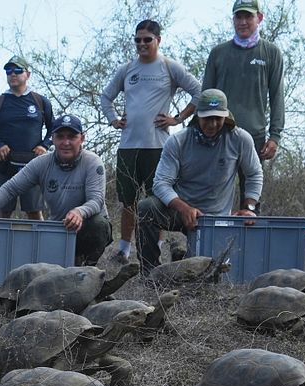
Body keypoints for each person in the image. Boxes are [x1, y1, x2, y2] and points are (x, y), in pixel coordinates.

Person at [131, 89, 262, 271]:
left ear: (226, 116)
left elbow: (254, 174)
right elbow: (161, 183)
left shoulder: (240, 139)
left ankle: (182, 255)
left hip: (217, 218)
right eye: (207, 118)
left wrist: (249, 208)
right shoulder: (178, 141)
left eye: (218, 118)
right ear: (197, 115)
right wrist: (183, 208)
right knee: (146, 207)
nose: (213, 124)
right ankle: (150, 272)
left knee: (212, 270)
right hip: (181, 211)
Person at [100, 20, 202, 251]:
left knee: (156, 200)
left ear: (158, 40)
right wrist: (114, 120)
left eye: (147, 39)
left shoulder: (168, 66)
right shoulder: (127, 69)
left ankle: (156, 245)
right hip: (128, 146)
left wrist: (178, 118)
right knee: (129, 201)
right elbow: (106, 97)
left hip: (158, 146)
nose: (142, 44)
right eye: (138, 40)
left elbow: (198, 92)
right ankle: (124, 249)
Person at [0, 115, 110, 266]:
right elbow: (10, 188)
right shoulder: (41, 163)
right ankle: (71, 259)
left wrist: (79, 212)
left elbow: (97, 200)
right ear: (52, 138)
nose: (66, 142)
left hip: (88, 226)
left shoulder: (93, 162)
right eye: (60, 137)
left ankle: (89, 268)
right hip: (60, 229)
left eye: (72, 137)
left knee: (98, 224)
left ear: (82, 138)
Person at [202, 0, 284, 164]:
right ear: (233, 19)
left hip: (255, 137)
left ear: (259, 18)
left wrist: (275, 136)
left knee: (252, 188)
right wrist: (200, 130)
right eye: (238, 17)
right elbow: (204, 96)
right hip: (218, 133)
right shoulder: (218, 53)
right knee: (215, 188)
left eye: (248, 16)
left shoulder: (271, 53)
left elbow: (277, 97)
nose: (243, 22)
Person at [0, 55, 55, 219]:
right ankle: (1, 244)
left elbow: (54, 129)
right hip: (5, 167)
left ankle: (39, 245)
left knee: (34, 211)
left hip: (33, 166)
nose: (12, 74)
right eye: (8, 71)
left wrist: (45, 145)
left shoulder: (40, 101)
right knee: (3, 211)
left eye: (18, 70)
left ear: (27, 74)